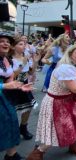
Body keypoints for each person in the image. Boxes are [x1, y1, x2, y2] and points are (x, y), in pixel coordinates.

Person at [26, 45, 76, 160]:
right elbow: (75, 88)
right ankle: (38, 152)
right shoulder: (66, 68)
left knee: (75, 123)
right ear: (70, 55)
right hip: (56, 103)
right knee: (56, 130)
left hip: (69, 100)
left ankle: (73, 145)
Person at [0, 31, 34, 160]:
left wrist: (20, 86)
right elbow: (5, 84)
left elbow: (10, 79)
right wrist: (3, 86)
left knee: (11, 120)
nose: (6, 43)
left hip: (3, 96)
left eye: (8, 41)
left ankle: (11, 155)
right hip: (2, 93)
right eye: (2, 41)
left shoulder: (5, 59)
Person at [3, 38, 37, 140]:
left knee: (28, 107)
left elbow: (30, 72)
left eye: (25, 44)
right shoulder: (8, 59)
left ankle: (23, 127)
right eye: (21, 44)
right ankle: (10, 130)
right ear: (14, 46)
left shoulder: (25, 57)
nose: (24, 46)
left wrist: (35, 61)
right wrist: (22, 64)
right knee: (11, 109)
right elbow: (11, 76)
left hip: (24, 85)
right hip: (11, 86)